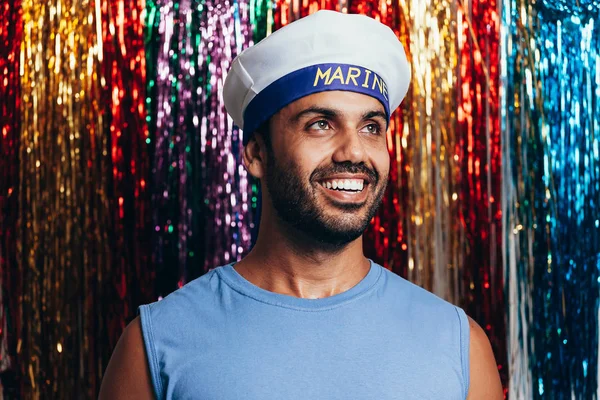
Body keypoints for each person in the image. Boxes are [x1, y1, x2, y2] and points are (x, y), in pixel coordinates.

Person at [99, 10, 503, 400]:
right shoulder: (154, 345)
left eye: (371, 127)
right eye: (321, 124)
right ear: (257, 154)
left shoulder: (459, 345)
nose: (354, 151)